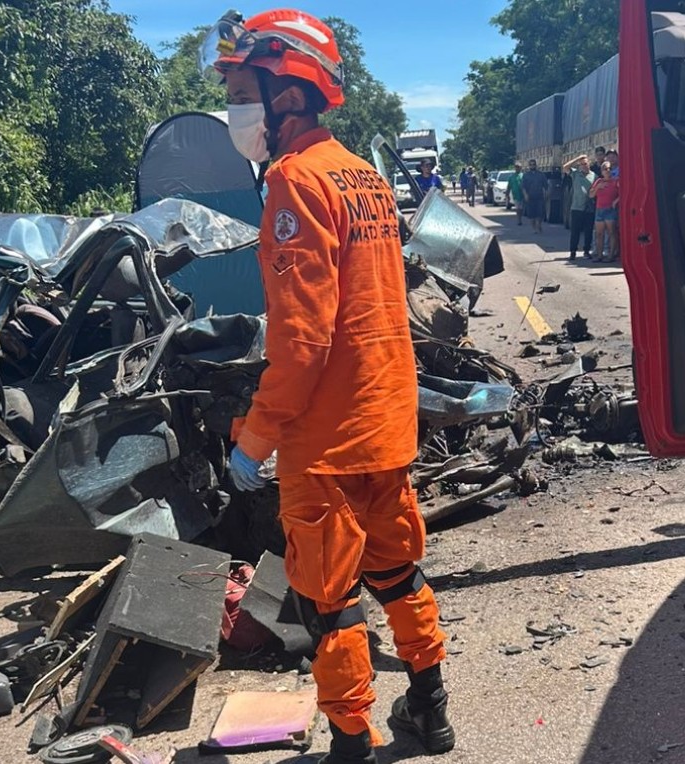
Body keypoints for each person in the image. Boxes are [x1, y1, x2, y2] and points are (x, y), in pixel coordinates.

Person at [208, 9, 454, 763]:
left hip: (327, 440)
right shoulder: (363, 176)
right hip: (385, 421)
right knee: (398, 571)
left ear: (286, 94)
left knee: (330, 601)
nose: (234, 110)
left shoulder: (294, 181)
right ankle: (430, 711)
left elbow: (301, 340)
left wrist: (256, 438)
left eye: (241, 92)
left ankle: (351, 744)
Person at [563, 154, 594, 260]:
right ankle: (573, 252)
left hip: (589, 207)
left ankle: (587, 251)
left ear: (589, 163)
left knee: (588, 231)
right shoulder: (575, 174)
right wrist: (577, 159)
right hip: (576, 207)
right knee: (575, 231)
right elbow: (565, 167)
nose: (584, 166)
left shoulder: (594, 176)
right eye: (581, 164)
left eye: (585, 163)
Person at [589, 160, 620, 261]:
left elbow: (623, 193)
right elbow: (591, 195)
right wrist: (598, 187)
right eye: (605, 169)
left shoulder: (616, 181)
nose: (608, 171)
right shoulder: (598, 181)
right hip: (599, 210)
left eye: (609, 169)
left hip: (610, 210)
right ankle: (599, 255)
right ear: (602, 171)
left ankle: (611, 255)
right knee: (599, 234)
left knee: (611, 233)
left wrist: (616, 201)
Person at [522, 158, 548, 234]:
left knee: (540, 213)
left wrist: (546, 194)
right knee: (531, 215)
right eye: (531, 165)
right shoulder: (526, 175)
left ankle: (538, 225)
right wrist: (525, 195)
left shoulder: (541, 175)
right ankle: (534, 228)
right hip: (530, 197)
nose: (532, 166)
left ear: (536, 165)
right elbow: (523, 187)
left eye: (533, 164)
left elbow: (546, 186)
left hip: (539, 196)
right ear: (529, 166)